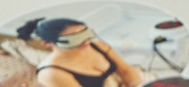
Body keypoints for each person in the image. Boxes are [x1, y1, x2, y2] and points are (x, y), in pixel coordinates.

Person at [14, 18, 149, 87]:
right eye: (74, 37)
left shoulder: (97, 46)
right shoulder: (51, 73)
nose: (85, 41)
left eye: (85, 33)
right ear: (48, 43)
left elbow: (126, 70)